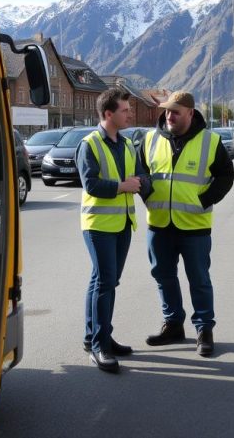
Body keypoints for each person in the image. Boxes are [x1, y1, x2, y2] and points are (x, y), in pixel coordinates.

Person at [139, 91, 234, 357]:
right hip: (159, 223)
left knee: (199, 279)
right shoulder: (149, 139)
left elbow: (226, 175)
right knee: (163, 276)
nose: (169, 116)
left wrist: (204, 199)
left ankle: (204, 329)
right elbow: (141, 173)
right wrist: (147, 195)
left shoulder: (210, 141)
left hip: (195, 226)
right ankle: (173, 324)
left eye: (175, 112)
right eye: (167, 111)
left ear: (190, 114)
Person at [78, 88, 152, 373]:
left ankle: (96, 336)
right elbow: (91, 184)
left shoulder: (127, 144)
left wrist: (142, 183)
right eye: (125, 110)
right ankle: (99, 347)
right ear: (108, 114)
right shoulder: (90, 144)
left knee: (104, 281)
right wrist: (123, 186)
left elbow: (141, 175)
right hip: (98, 226)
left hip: (122, 223)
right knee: (105, 282)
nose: (130, 114)